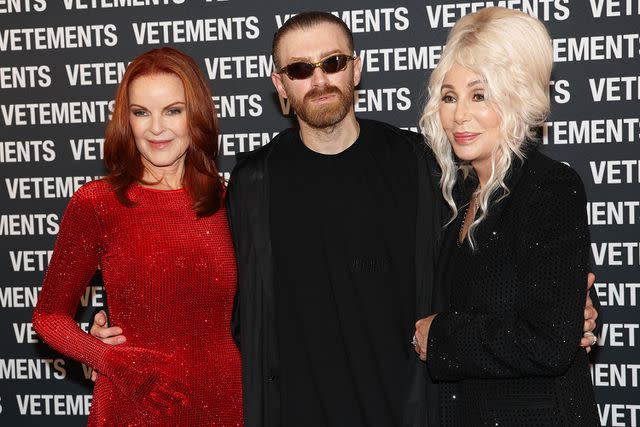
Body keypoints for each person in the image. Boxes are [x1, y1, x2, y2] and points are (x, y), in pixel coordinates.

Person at [90, 11, 599, 427]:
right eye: (299, 69)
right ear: (279, 86)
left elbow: (489, 266)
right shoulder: (251, 182)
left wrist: (566, 307)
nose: (319, 79)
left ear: (355, 69)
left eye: (332, 62)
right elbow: (213, 284)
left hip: (410, 412)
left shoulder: (425, 165)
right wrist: (123, 331)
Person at [32, 47, 243, 426]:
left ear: (196, 116)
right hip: (132, 403)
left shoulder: (230, 201)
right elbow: (48, 317)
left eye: (172, 111)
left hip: (224, 401)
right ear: (125, 120)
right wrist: (108, 359)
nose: (156, 128)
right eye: (141, 112)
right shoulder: (98, 203)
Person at [414, 7, 599, 426]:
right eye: (449, 96)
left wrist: (441, 338)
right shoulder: (459, 193)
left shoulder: (549, 187)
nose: (460, 115)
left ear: (518, 97)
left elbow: (549, 341)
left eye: (480, 95)